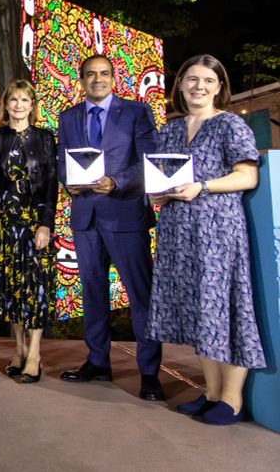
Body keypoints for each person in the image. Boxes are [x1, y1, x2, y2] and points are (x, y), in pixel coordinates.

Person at [146, 55, 263, 425]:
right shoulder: (169, 130)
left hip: (217, 232)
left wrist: (203, 186)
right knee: (198, 311)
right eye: (192, 79)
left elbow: (247, 177)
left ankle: (232, 400)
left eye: (208, 81)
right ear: (179, 85)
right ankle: (211, 393)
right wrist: (159, 193)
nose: (199, 86)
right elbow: (163, 177)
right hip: (178, 231)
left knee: (223, 310)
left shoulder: (229, 124)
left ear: (219, 88)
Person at [56, 54, 163, 401]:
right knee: (93, 294)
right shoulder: (68, 117)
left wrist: (116, 181)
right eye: (90, 74)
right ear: (82, 80)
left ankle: (149, 373)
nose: (97, 79)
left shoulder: (135, 112)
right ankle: (98, 361)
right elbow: (63, 160)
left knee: (139, 295)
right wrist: (67, 182)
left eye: (103, 74)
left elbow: (148, 161)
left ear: (113, 78)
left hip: (125, 215)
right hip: (85, 217)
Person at [0, 79, 57, 383]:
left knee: (35, 287)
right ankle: (18, 350)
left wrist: (46, 224)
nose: (18, 105)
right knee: (12, 288)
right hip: (4, 221)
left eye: (24, 100)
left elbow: (52, 185)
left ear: (33, 105)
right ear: (5, 105)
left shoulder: (44, 138)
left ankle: (35, 355)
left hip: (33, 219)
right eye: (13, 100)